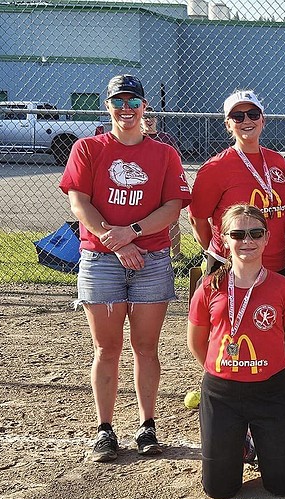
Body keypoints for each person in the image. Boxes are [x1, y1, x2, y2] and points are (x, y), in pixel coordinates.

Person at [59, 74, 190, 462]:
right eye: (119, 102)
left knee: (146, 348)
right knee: (107, 347)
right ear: (108, 106)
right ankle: (105, 429)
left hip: (150, 259)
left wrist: (131, 233)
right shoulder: (88, 148)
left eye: (134, 102)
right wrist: (115, 242)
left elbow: (171, 207)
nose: (127, 109)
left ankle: (147, 425)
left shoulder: (164, 154)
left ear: (145, 107)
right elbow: (79, 203)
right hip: (100, 259)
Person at [187, 204, 285, 499]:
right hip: (222, 393)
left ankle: (255, 439)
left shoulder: (283, 288)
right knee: (220, 489)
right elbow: (197, 342)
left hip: (270, 390)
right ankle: (239, 441)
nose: (247, 241)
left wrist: (265, 364)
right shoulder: (210, 286)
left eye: (255, 233)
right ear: (224, 239)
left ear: (267, 238)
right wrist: (223, 368)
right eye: (238, 234)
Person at [190, 90, 285, 277]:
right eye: (237, 117)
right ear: (228, 125)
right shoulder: (215, 167)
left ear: (263, 120)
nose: (246, 121)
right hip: (231, 265)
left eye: (253, 115)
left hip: (276, 264)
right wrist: (221, 252)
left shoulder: (277, 161)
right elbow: (198, 219)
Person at [142, 107, 185, 262]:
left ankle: (177, 254)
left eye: (152, 116)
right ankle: (149, 252)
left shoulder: (166, 138)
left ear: (157, 119)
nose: (148, 119)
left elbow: (177, 161)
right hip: (146, 186)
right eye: (145, 116)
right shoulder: (138, 137)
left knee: (172, 220)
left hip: (164, 183)